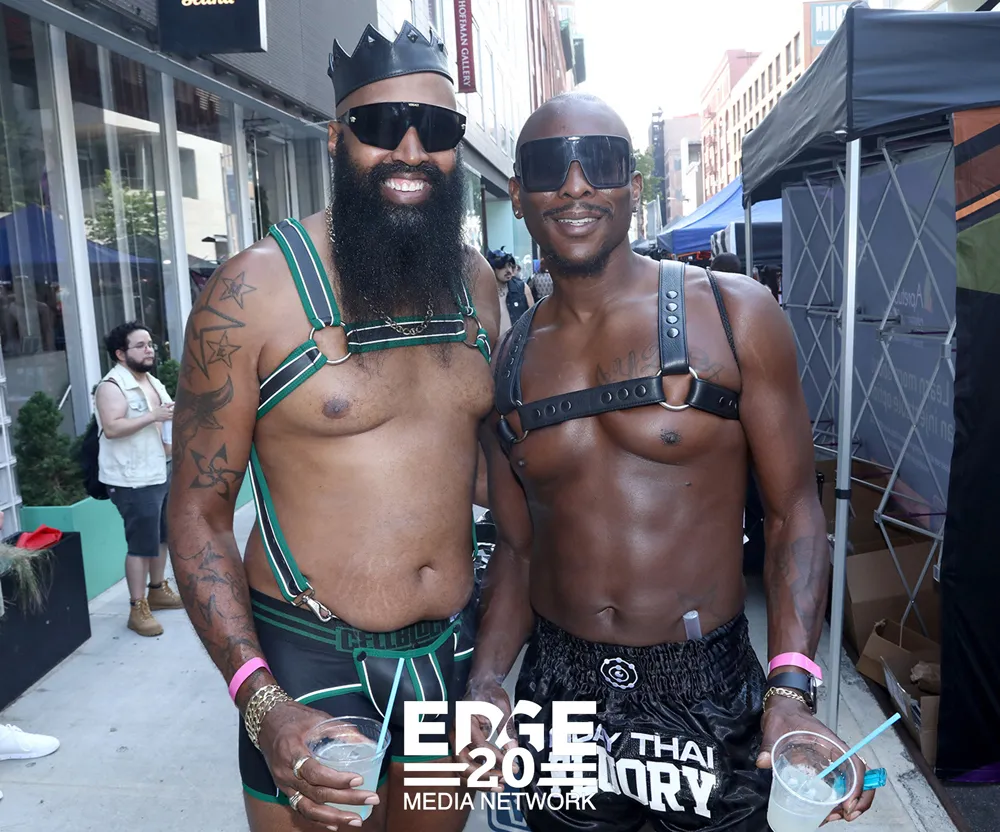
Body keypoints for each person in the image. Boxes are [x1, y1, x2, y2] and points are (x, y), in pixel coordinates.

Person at [461, 93, 876, 831]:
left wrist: (790, 691)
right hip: (560, 693)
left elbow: (793, 514)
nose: (577, 185)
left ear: (633, 186)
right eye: (550, 168)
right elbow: (519, 553)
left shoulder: (734, 313)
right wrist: (488, 682)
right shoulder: (511, 361)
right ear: (517, 195)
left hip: (705, 691)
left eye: (601, 162)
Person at [166, 21, 500, 832]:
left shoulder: (476, 285)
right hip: (308, 663)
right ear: (335, 136)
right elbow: (197, 512)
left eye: (438, 129)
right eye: (382, 124)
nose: (411, 150)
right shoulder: (252, 291)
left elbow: (492, 475)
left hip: (446, 658)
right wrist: (261, 702)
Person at [94, 321, 181, 638]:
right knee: (141, 545)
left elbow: (162, 422)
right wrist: (153, 416)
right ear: (121, 353)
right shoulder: (111, 387)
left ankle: (157, 590)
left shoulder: (151, 381)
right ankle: (137, 607)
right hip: (132, 478)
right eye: (140, 345)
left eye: (150, 344)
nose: (149, 350)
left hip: (160, 469)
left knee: (161, 536)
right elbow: (112, 428)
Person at [490, 247, 535, 336]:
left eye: (510, 266)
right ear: (493, 269)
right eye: (503, 267)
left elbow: (534, 318)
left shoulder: (522, 288)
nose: (509, 271)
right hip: (495, 342)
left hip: (519, 341)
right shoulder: (486, 293)